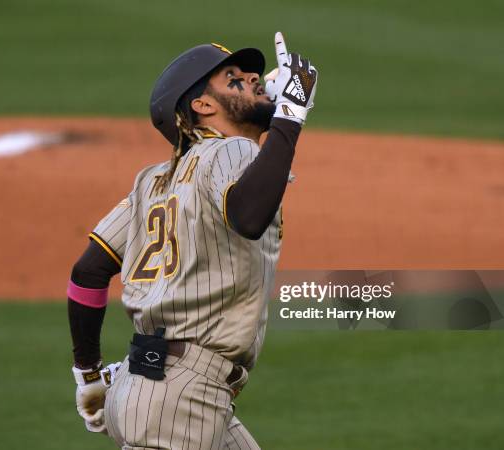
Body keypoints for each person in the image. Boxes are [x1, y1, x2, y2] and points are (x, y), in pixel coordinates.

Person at [67, 32, 317, 449]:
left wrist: (88, 375)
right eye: (233, 78)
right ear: (202, 106)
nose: (254, 77)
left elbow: (88, 270)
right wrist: (289, 115)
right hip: (179, 402)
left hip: (149, 383)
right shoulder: (232, 150)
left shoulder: (153, 182)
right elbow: (249, 216)